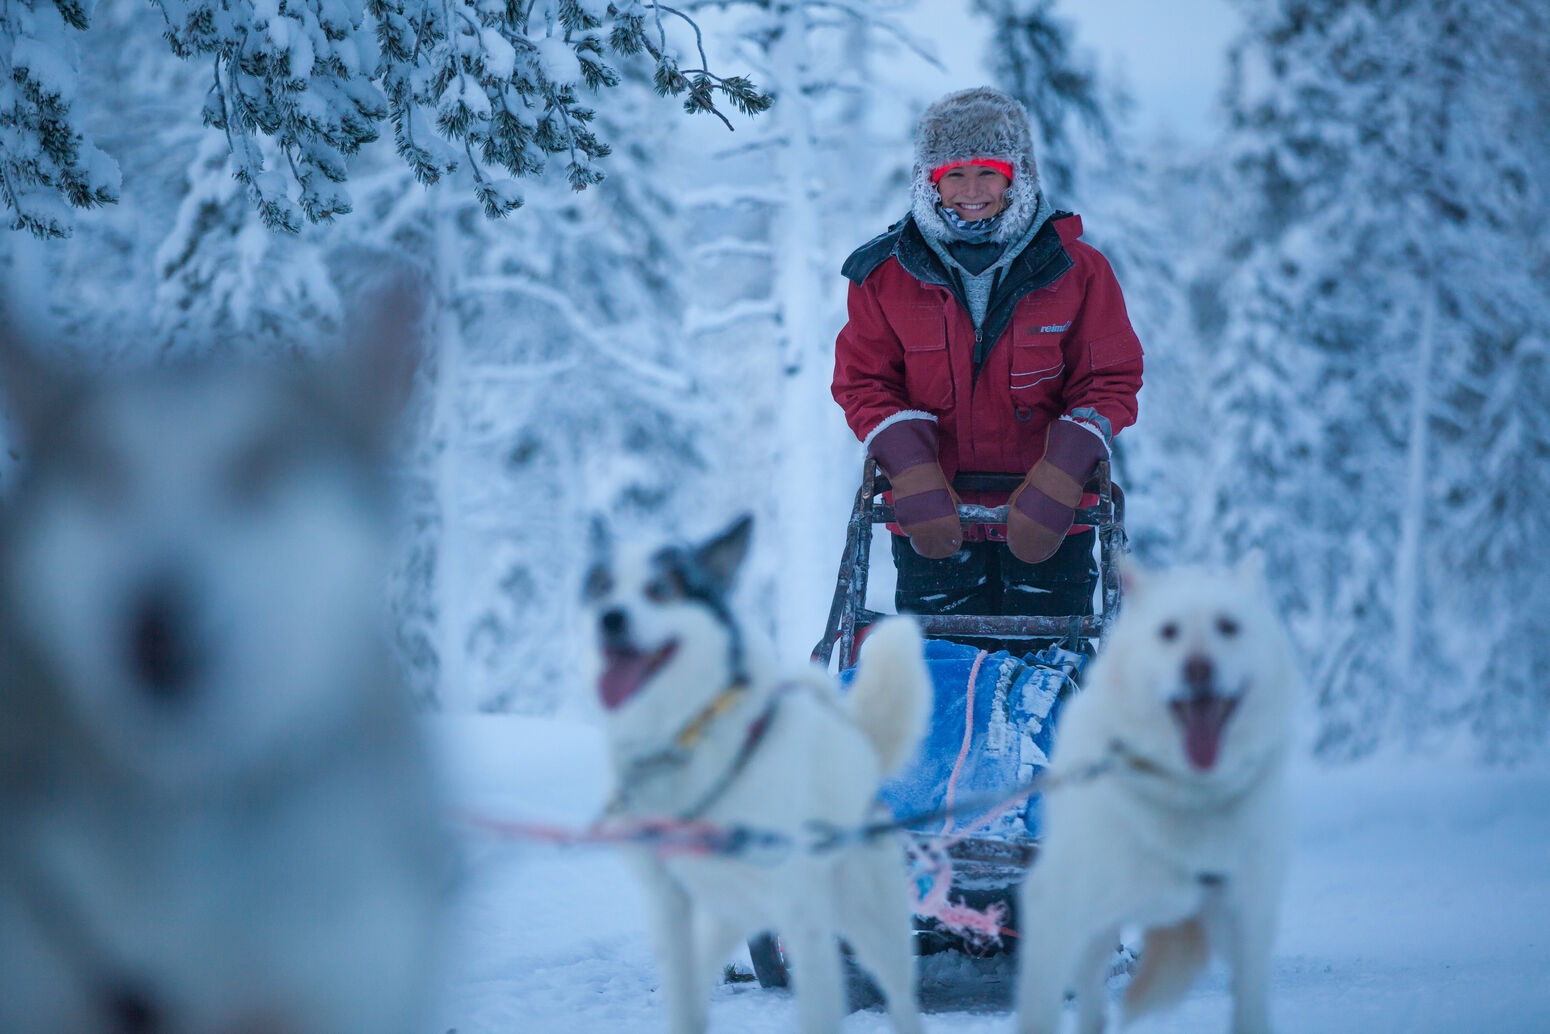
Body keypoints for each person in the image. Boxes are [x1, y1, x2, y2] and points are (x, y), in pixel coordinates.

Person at [831, 86, 1143, 621]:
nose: (970, 190)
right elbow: (863, 381)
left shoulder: (1079, 269)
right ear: (930, 181)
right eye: (953, 173)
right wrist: (909, 469)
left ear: (1015, 176)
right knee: (941, 680)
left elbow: (1109, 378)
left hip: (1054, 518)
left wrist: (1063, 471)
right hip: (931, 516)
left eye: (987, 172)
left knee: (1050, 675)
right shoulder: (884, 275)